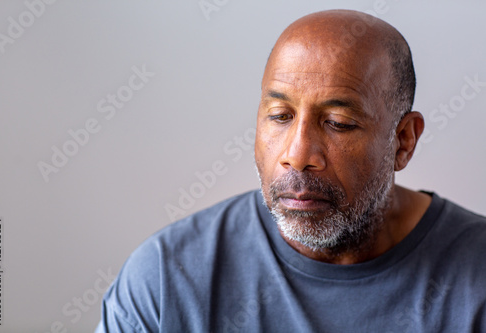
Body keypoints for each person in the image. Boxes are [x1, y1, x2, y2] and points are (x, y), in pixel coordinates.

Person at [96, 9, 486, 332]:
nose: (297, 155)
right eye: (279, 116)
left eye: (337, 122)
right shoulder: (166, 280)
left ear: (403, 141)